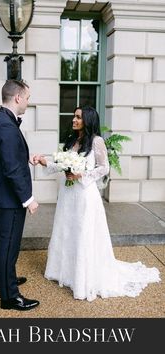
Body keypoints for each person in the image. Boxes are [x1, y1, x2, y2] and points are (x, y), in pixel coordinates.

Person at [35, 106, 160, 301]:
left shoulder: (96, 141)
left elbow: (104, 167)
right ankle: (65, 272)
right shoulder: (72, 140)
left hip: (84, 195)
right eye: (74, 116)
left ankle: (84, 277)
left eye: (78, 117)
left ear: (88, 119)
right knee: (67, 230)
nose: (74, 120)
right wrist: (44, 162)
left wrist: (81, 174)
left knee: (83, 232)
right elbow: (61, 164)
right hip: (68, 195)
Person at [0, 79, 40, 310]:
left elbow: (9, 156)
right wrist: (28, 199)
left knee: (0, 239)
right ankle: (9, 297)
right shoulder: (7, 126)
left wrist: (24, 155)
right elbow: (11, 169)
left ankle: (1, 279)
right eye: (27, 97)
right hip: (11, 197)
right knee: (9, 244)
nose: (28, 101)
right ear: (17, 97)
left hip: (1, 194)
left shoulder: (0, 119)